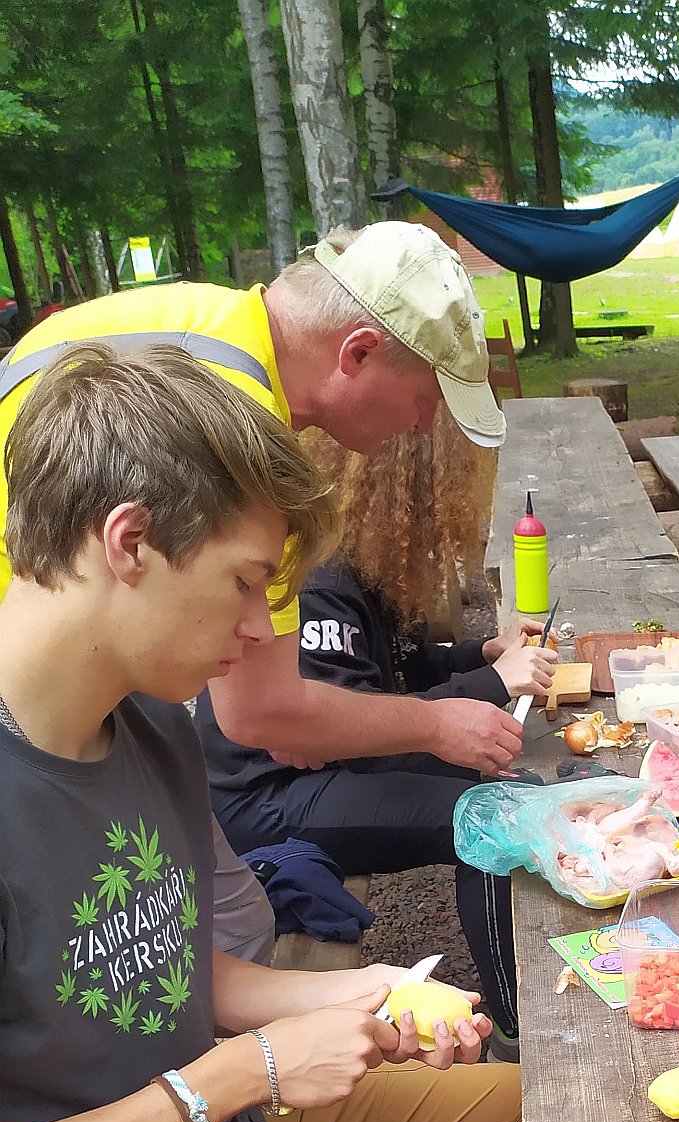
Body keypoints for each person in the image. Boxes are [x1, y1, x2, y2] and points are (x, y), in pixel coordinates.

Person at [0, 343, 526, 1122]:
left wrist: (357, 995)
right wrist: (242, 1075)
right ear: (129, 542)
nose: (256, 633)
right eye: (245, 586)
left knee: (519, 1119)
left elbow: (159, 968)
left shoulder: (146, 723)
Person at [0, 220, 527, 954]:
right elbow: (262, 714)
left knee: (222, 927)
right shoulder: (239, 421)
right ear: (358, 352)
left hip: (81, 697)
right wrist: (437, 726)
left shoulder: (202, 321)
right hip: (42, 728)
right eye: (426, 395)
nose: (424, 425)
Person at [197, 414, 555, 1060]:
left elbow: (396, 664)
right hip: (270, 793)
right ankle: (514, 1032)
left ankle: (517, 989)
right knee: (490, 820)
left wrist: (480, 655)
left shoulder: (360, 560)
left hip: (320, 770)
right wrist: (489, 686)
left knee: (506, 791)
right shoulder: (320, 579)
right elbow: (349, 725)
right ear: (411, 492)